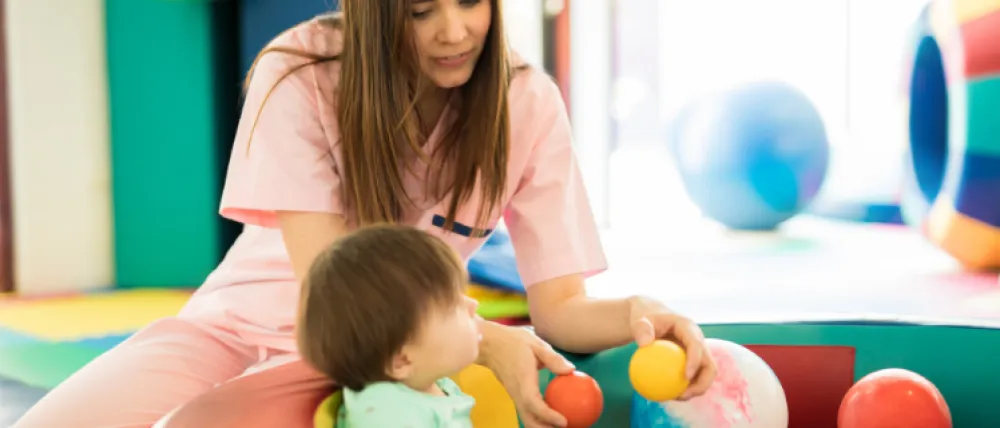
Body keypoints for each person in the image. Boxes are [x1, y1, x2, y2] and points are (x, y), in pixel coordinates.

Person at [15, 1, 717, 427]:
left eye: (471, 0)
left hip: (379, 363)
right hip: (235, 331)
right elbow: (335, 287)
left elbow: (561, 308)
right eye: (419, 10)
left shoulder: (525, 102)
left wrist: (636, 314)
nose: (455, 31)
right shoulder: (298, 71)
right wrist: (481, 338)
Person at [299, 224, 482, 426]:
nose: (473, 305)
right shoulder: (388, 411)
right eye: (453, 306)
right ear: (401, 361)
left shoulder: (431, 382)